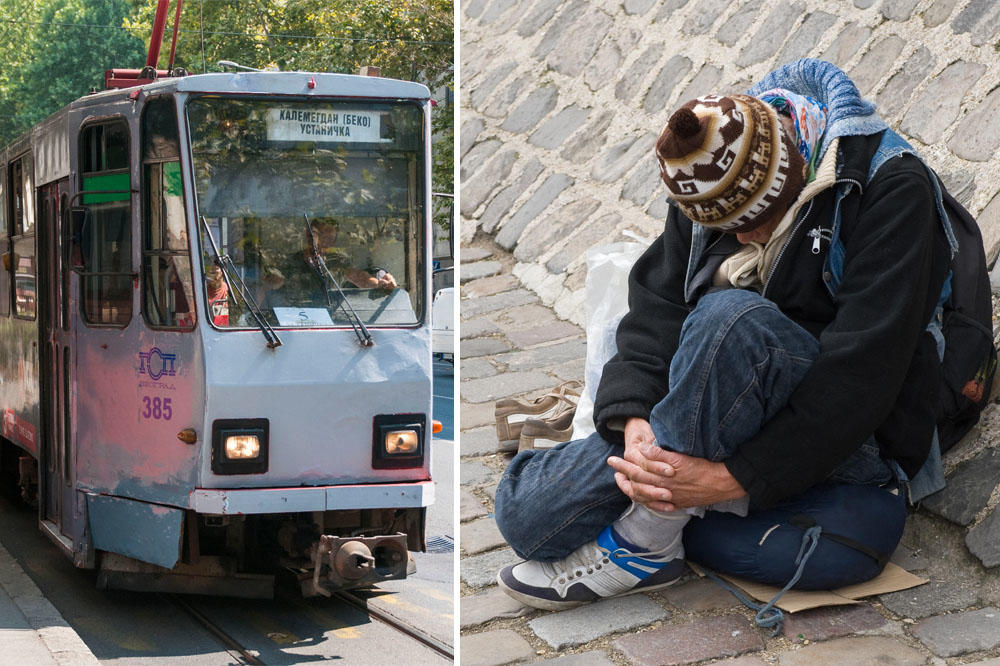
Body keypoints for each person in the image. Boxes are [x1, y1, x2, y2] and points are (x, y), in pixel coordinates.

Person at [493, 59, 953, 611]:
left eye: (755, 221)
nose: (744, 238)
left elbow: (864, 373)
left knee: (731, 318)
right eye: (727, 227)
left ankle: (646, 541)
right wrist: (635, 422)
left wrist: (733, 478)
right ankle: (680, 506)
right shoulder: (706, 179)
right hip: (708, 408)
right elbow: (657, 312)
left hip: (844, 429)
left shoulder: (890, 187)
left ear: (792, 175)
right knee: (525, 515)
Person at [258, 217, 397, 309]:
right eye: (322, 235)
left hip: (331, 322)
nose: (326, 242)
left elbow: (359, 277)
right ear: (309, 235)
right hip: (295, 321)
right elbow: (267, 286)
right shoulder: (291, 262)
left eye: (331, 238)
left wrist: (378, 284)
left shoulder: (339, 260)